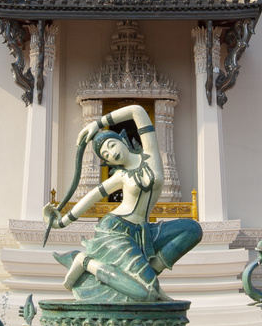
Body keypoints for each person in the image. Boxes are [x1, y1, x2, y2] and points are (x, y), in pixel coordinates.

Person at [43, 105, 202, 303]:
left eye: (111, 145)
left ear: (122, 140)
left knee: (192, 229)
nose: (111, 153)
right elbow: (91, 197)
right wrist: (61, 222)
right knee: (147, 295)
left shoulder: (150, 155)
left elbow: (137, 110)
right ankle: (85, 262)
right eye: (105, 155)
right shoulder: (120, 176)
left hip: (145, 232)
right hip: (116, 230)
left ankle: (147, 276)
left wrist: (97, 123)